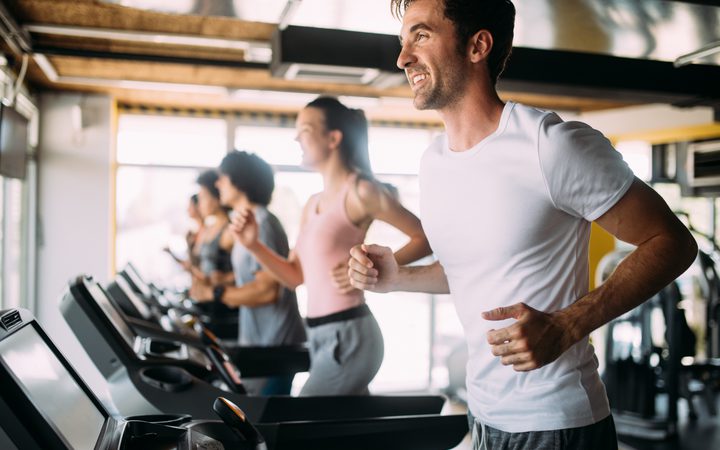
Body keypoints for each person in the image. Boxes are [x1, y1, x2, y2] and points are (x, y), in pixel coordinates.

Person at [346, 0, 698, 448]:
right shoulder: (434, 162)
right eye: (403, 41)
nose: (402, 58)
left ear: (478, 45)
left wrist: (568, 325)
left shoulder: (550, 146)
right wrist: (398, 277)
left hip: (558, 423)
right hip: (484, 417)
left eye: (421, 35)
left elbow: (672, 242)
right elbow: (473, 273)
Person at [232, 96, 433, 395]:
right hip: (319, 334)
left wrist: (376, 268)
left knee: (303, 421)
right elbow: (294, 277)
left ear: (333, 138)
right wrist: (253, 246)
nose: (296, 138)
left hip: (349, 334)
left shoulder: (361, 191)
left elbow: (424, 237)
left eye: (305, 130)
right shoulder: (312, 204)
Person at [191, 151, 306, 395]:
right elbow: (258, 272)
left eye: (223, 178)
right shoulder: (246, 222)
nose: (218, 183)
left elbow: (267, 291)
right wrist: (225, 279)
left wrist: (215, 292)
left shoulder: (262, 224)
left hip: (274, 343)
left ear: (240, 182)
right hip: (259, 338)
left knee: (267, 421)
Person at [164, 193, 204, 273]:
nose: (187, 209)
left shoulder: (207, 232)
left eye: (190, 205)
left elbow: (194, 267)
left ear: (198, 206)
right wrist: (171, 253)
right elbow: (189, 265)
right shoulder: (193, 234)